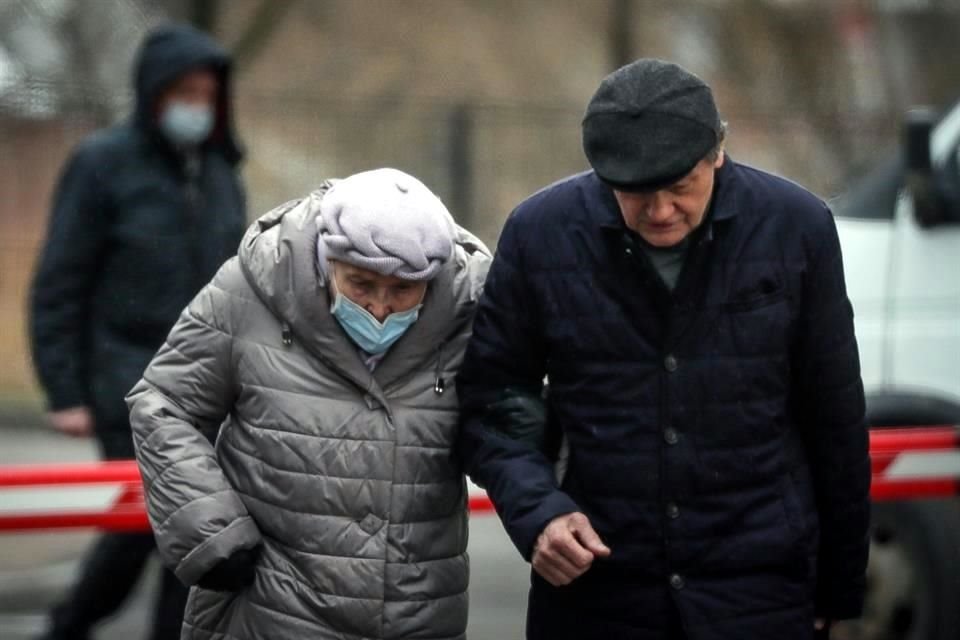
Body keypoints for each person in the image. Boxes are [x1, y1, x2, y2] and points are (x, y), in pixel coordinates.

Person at [456, 58, 870, 640]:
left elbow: (835, 417)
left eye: (680, 187)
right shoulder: (538, 235)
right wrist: (538, 514)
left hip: (759, 589)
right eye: (635, 193)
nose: (659, 211)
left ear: (717, 154)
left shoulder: (796, 229)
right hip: (597, 593)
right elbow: (496, 405)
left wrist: (839, 587)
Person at [125, 168, 491, 639]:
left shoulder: (472, 312)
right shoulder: (249, 291)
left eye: (403, 290)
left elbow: (509, 423)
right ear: (325, 258)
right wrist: (209, 532)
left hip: (415, 611)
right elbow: (164, 401)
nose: (380, 308)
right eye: (360, 284)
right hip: (268, 606)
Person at [28, 23, 246, 640]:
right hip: (124, 375)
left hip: (207, 380)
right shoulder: (103, 164)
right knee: (165, 520)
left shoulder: (221, 171)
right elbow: (61, 280)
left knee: (171, 524)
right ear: (153, 93)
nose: (195, 107)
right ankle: (71, 625)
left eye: (207, 94)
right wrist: (64, 390)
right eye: (184, 92)